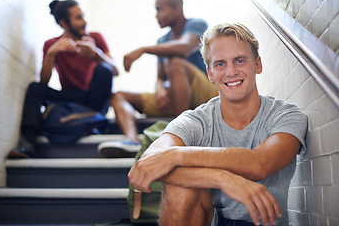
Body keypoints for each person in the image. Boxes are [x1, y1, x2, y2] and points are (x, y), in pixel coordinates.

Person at [128, 23, 308, 226]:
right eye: (220, 64)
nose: (231, 72)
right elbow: (148, 163)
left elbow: (261, 164)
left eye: (239, 60)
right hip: (210, 220)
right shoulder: (196, 121)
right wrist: (221, 178)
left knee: (179, 175)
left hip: (264, 223)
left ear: (257, 64)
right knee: (181, 187)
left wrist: (175, 155)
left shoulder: (286, 115)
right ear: (210, 73)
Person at [98, 0, 218, 157]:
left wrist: (143, 50)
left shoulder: (196, 24)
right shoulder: (162, 41)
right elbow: (161, 77)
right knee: (119, 96)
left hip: (206, 94)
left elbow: (184, 48)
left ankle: (180, 135)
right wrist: (161, 90)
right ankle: (132, 140)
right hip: (176, 97)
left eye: (160, 9)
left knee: (176, 62)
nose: (156, 15)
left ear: (177, 8)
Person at [9, 0, 119, 158]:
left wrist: (96, 55)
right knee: (35, 87)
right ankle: (27, 143)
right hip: (69, 98)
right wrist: (52, 54)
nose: (84, 22)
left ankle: (95, 119)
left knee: (104, 69)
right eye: (78, 18)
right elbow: (44, 81)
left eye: (83, 16)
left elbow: (115, 71)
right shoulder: (52, 44)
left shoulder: (96, 38)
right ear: (64, 23)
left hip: (93, 99)